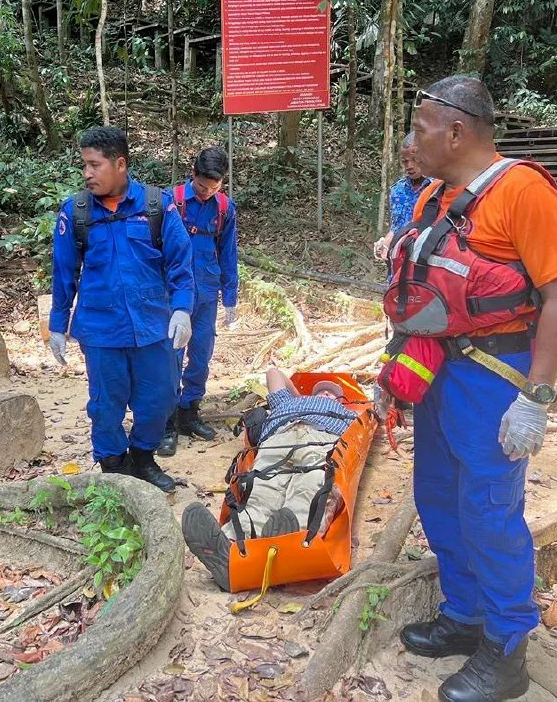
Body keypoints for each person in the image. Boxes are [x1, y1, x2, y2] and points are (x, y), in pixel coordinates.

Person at [396, 76, 557, 702]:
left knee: (489, 509)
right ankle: (465, 613)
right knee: (438, 495)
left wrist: (537, 396)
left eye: (420, 127)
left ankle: (506, 650)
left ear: (456, 131)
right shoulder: (433, 197)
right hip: (437, 370)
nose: (412, 138)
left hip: (495, 375)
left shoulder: (524, 191)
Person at [47, 126, 195, 493]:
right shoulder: (76, 212)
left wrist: (182, 310)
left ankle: (143, 458)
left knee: (160, 397)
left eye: (94, 165)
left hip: (152, 325)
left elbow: (180, 264)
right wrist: (57, 325)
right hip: (101, 329)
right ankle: (114, 464)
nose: (87, 173)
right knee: (105, 404)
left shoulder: (157, 206)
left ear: (121, 164)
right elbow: (64, 272)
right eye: (84, 165)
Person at [181, 367, 358, 590]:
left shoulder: (347, 414)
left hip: (320, 438)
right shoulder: (287, 403)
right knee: (261, 487)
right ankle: (232, 548)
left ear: (340, 401)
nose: (326, 394)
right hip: (279, 436)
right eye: (321, 391)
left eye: (331, 394)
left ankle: (295, 539)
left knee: (312, 483)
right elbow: (273, 373)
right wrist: (298, 397)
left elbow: (370, 424)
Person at [157, 147, 239, 457]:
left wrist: (230, 297)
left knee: (201, 355)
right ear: (193, 173)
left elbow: (229, 252)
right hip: (173, 294)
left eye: (214, 187)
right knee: (171, 357)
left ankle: (189, 412)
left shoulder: (224, 208)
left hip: (207, 292)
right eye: (203, 186)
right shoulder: (171, 201)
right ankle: (165, 422)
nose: (206, 193)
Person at [373, 132, 433, 260]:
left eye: (415, 160)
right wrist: (385, 243)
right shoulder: (397, 190)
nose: (409, 166)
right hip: (398, 262)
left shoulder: (439, 189)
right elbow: (396, 227)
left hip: (425, 262)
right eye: (405, 161)